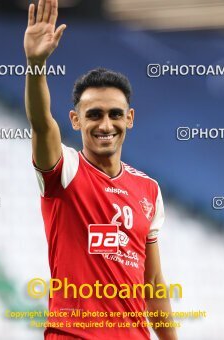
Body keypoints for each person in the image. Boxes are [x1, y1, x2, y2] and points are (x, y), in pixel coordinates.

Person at [24, 0, 177, 339]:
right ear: (76, 120)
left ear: (130, 119)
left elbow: (153, 285)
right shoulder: (64, 170)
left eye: (114, 114)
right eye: (93, 114)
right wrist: (36, 65)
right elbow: (40, 122)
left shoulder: (148, 189)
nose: (105, 124)